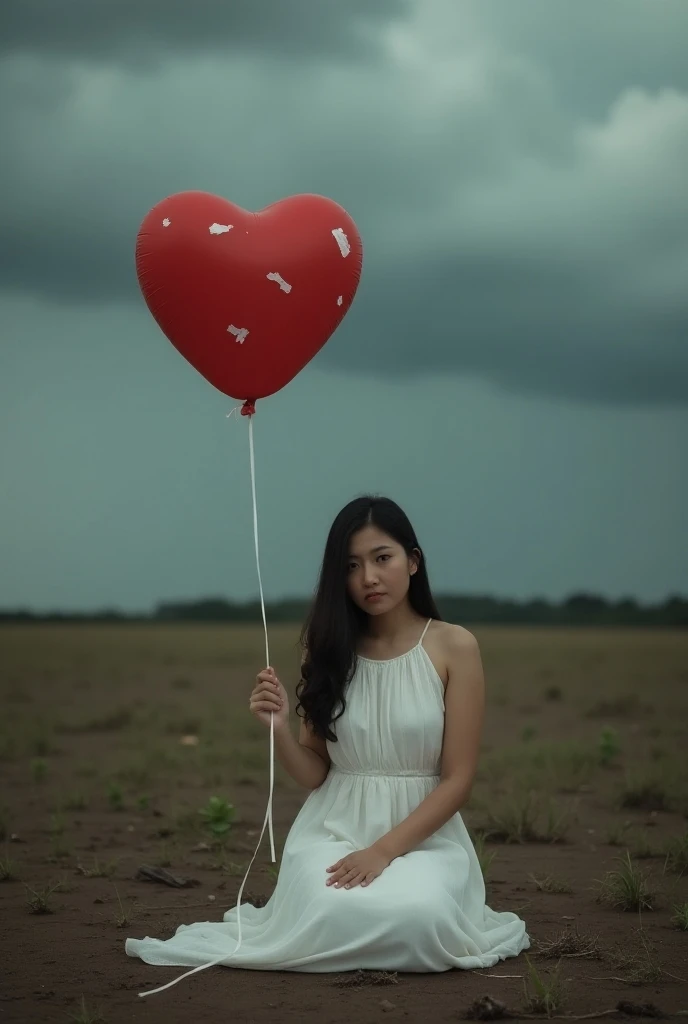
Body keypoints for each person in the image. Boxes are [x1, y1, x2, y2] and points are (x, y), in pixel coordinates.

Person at [125, 495, 530, 978]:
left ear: (414, 561)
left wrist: (382, 852)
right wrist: (278, 731)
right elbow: (315, 771)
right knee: (329, 910)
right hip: (333, 829)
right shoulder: (328, 649)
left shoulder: (454, 646)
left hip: (424, 836)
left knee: (419, 917)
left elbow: (458, 780)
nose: (368, 579)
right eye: (351, 565)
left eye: (383, 558)